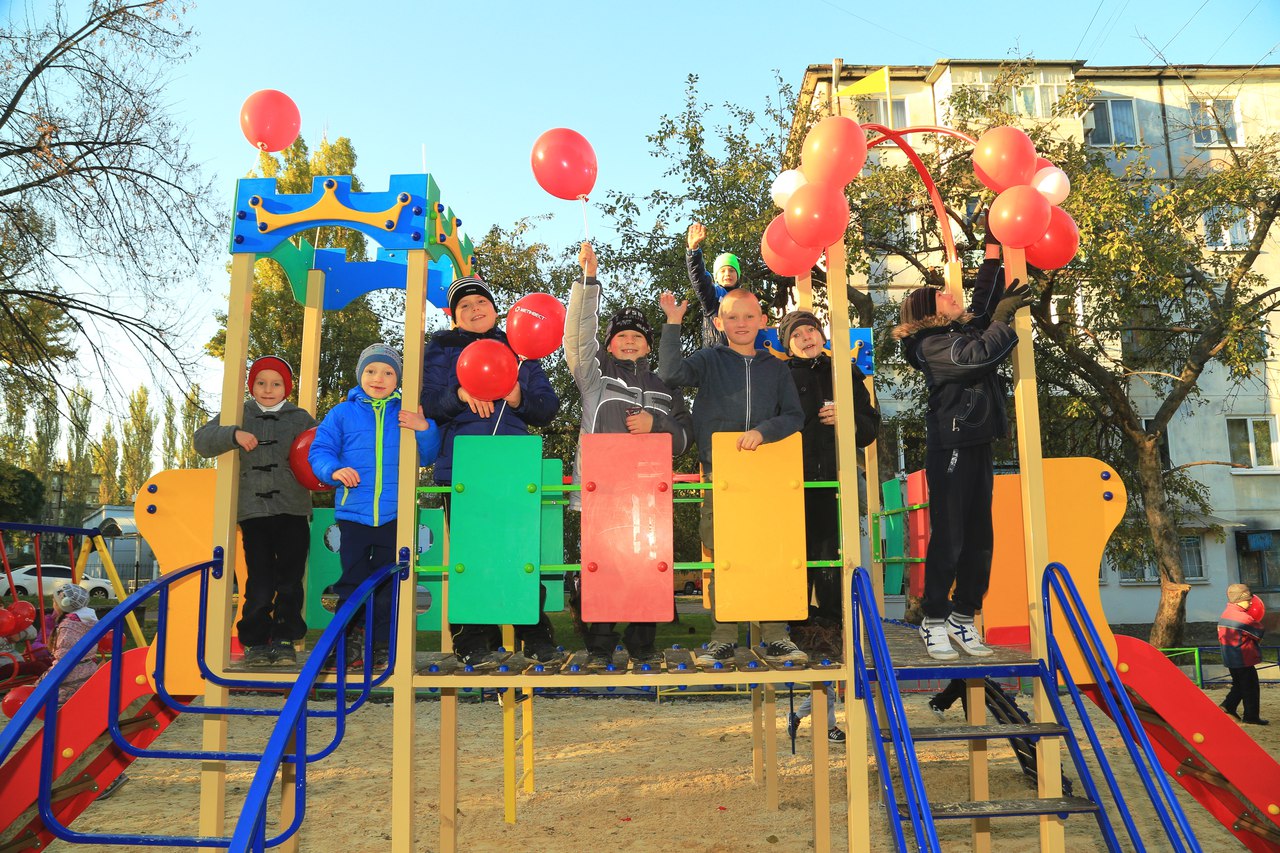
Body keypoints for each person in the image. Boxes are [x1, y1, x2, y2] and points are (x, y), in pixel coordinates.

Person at [891, 235, 1034, 661]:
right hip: (951, 444)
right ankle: (933, 619)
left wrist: (992, 252)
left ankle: (963, 615)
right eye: (942, 294)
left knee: (980, 538)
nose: (952, 295)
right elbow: (976, 358)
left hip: (978, 442)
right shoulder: (928, 345)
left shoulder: (960, 330)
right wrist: (1003, 318)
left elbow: (984, 301)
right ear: (928, 311)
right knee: (950, 536)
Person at [658, 287, 807, 666]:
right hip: (721, 471)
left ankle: (776, 635)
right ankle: (723, 639)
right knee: (725, 555)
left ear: (763, 321)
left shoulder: (776, 368)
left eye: (749, 316)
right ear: (719, 323)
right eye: (733, 317)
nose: (741, 323)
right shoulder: (710, 359)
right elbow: (671, 373)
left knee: (770, 550)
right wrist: (673, 323)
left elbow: (794, 416)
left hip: (767, 474)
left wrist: (764, 431)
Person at [421, 275, 563, 670]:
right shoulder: (441, 347)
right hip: (461, 465)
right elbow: (426, 402)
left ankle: (534, 634)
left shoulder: (520, 347)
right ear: (454, 317)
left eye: (481, 302)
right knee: (471, 556)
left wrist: (517, 397)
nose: (474, 309)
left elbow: (547, 408)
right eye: (464, 306)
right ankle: (472, 640)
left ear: (496, 310)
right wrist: (460, 395)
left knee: (520, 551)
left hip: (513, 465)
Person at [565, 242, 693, 672]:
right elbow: (577, 338)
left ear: (648, 346)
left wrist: (657, 426)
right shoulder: (594, 379)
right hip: (600, 494)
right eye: (621, 335)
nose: (630, 341)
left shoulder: (666, 387)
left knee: (646, 567)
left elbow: (685, 438)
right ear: (609, 344)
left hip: (648, 499)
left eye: (638, 336)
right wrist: (588, 281)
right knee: (602, 569)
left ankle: (642, 647)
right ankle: (599, 647)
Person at [309, 344, 441, 668]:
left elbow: (427, 456)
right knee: (352, 580)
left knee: (387, 583)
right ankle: (349, 639)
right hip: (354, 513)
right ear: (360, 375)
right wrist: (333, 470)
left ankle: (382, 642)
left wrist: (424, 429)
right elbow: (320, 449)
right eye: (370, 371)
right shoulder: (342, 413)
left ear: (397, 380)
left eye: (387, 372)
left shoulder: (405, 414)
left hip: (395, 515)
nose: (378, 378)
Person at [194, 355, 316, 667]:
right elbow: (201, 441)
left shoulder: (300, 418)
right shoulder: (240, 413)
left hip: (292, 511)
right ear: (251, 386)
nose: (268, 389)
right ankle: (256, 641)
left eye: (276, 384)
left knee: (290, 580)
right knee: (259, 582)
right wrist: (233, 434)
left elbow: (323, 446)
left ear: (287, 388)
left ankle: (286, 639)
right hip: (255, 514)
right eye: (261, 383)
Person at [778, 309, 880, 630]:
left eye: (810, 330)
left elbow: (870, 428)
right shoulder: (780, 377)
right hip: (792, 483)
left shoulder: (845, 373)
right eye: (796, 335)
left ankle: (835, 626)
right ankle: (794, 626)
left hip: (836, 481)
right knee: (795, 555)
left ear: (821, 335)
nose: (805, 338)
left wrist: (847, 419)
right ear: (788, 345)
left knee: (832, 555)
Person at [36, 582, 99, 705]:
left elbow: (64, 659)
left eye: (54, 601)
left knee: (39, 694)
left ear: (63, 604)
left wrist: (44, 679)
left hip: (71, 677)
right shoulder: (86, 621)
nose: (53, 604)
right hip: (87, 670)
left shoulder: (68, 627)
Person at [685, 222, 743, 348]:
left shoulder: (745, 300)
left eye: (732, 270)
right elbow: (699, 278)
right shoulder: (713, 296)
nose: (727, 274)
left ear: (738, 275)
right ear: (716, 277)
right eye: (722, 271)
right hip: (715, 355)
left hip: (740, 355)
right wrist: (693, 250)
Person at [1218, 582, 1268, 725]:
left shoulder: (1226, 614)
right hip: (1243, 658)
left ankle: (1228, 706)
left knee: (1240, 685)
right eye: (1249, 600)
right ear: (1240, 600)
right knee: (1251, 687)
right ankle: (1251, 717)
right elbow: (1258, 633)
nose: (1251, 603)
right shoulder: (1243, 618)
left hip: (1231, 658)